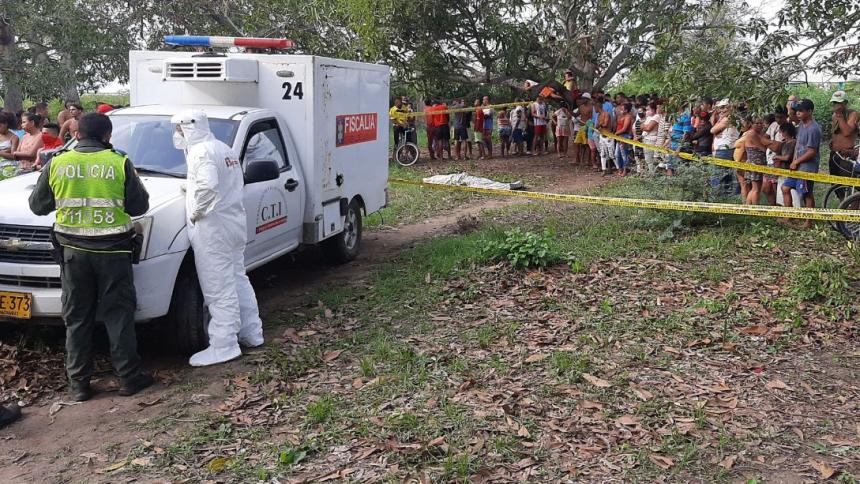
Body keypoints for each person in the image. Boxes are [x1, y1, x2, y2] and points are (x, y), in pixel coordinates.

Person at [28, 113, 153, 401]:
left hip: (73, 254)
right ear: (108, 137)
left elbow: (37, 206)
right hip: (114, 252)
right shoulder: (119, 163)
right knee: (118, 315)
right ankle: (129, 379)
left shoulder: (58, 163)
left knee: (77, 317)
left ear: (77, 134)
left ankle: (79, 385)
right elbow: (139, 206)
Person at [171, 110, 264, 366]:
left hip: (213, 229)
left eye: (179, 129)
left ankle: (224, 345)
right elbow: (223, 182)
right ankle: (251, 332)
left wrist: (196, 211)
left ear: (189, 128)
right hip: (233, 223)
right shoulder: (222, 148)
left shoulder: (200, 152)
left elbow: (208, 185)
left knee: (218, 287)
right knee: (237, 279)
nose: (176, 135)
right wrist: (190, 188)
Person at [782, 99, 822, 229]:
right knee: (785, 188)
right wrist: (794, 161)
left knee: (807, 193)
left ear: (809, 111)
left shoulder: (813, 129)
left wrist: (797, 161)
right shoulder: (800, 126)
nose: (798, 113)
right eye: (797, 110)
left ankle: (809, 221)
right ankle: (788, 216)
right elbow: (798, 146)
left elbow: (812, 151)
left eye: (801, 111)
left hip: (807, 167)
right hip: (797, 165)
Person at [710, 99, 738, 196]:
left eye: (723, 107)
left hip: (725, 150)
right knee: (727, 175)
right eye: (720, 108)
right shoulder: (726, 118)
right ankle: (726, 197)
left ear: (730, 107)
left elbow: (712, 130)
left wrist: (720, 119)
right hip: (726, 149)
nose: (721, 110)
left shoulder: (728, 118)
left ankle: (715, 197)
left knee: (717, 175)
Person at [829, 90, 858, 176]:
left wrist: (839, 115)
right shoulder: (834, 116)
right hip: (835, 153)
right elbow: (837, 133)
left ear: (845, 103)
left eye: (839, 103)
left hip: (846, 155)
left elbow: (847, 132)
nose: (836, 105)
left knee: (845, 183)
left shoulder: (853, 114)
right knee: (834, 182)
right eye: (834, 102)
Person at [763, 107, 789, 206]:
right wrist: (772, 143)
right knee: (766, 187)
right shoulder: (773, 125)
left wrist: (769, 143)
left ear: (786, 117)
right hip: (769, 160)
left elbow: (779, 148)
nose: (778, 120)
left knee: (776, 186)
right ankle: (772, 208)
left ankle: (779, 209)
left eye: (781, 117)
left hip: (778, 162)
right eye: (776, 117)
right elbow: (763, 139)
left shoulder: (788, 128)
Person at [740, 117, 768, 205]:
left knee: (756, 188)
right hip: (755, 164)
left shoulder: (759, 133)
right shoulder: (752, 134)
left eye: (761, 123)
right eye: (757, 123)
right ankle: (755, 209)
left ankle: (749, 207)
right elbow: (763, 148)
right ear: (752, 124)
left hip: (758, 164)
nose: (760, 125)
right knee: (756, 188)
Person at [614, 103, 635, 176]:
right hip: (619, 136)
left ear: (626, 110)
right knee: (617, 154)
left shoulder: (628, 117)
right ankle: (620, 169)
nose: (621, 110)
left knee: (624, 154)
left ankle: (625, 170)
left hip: (624, 136)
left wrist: (616, 133)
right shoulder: (621, 116)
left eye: (622, 109)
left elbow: (624, 128)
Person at [640, 102, 662, 174]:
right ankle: (651, 173)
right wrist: (644, 127)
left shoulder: (656, 116)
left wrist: (644, 126)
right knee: (647, 158)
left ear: (653, 110)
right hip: (646, 139)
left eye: (648, 109)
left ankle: (652, 175)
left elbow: (648, 128)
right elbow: (642, 126)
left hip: (651, 140)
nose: (646, 111)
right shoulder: (649, 118)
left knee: (651, 159)